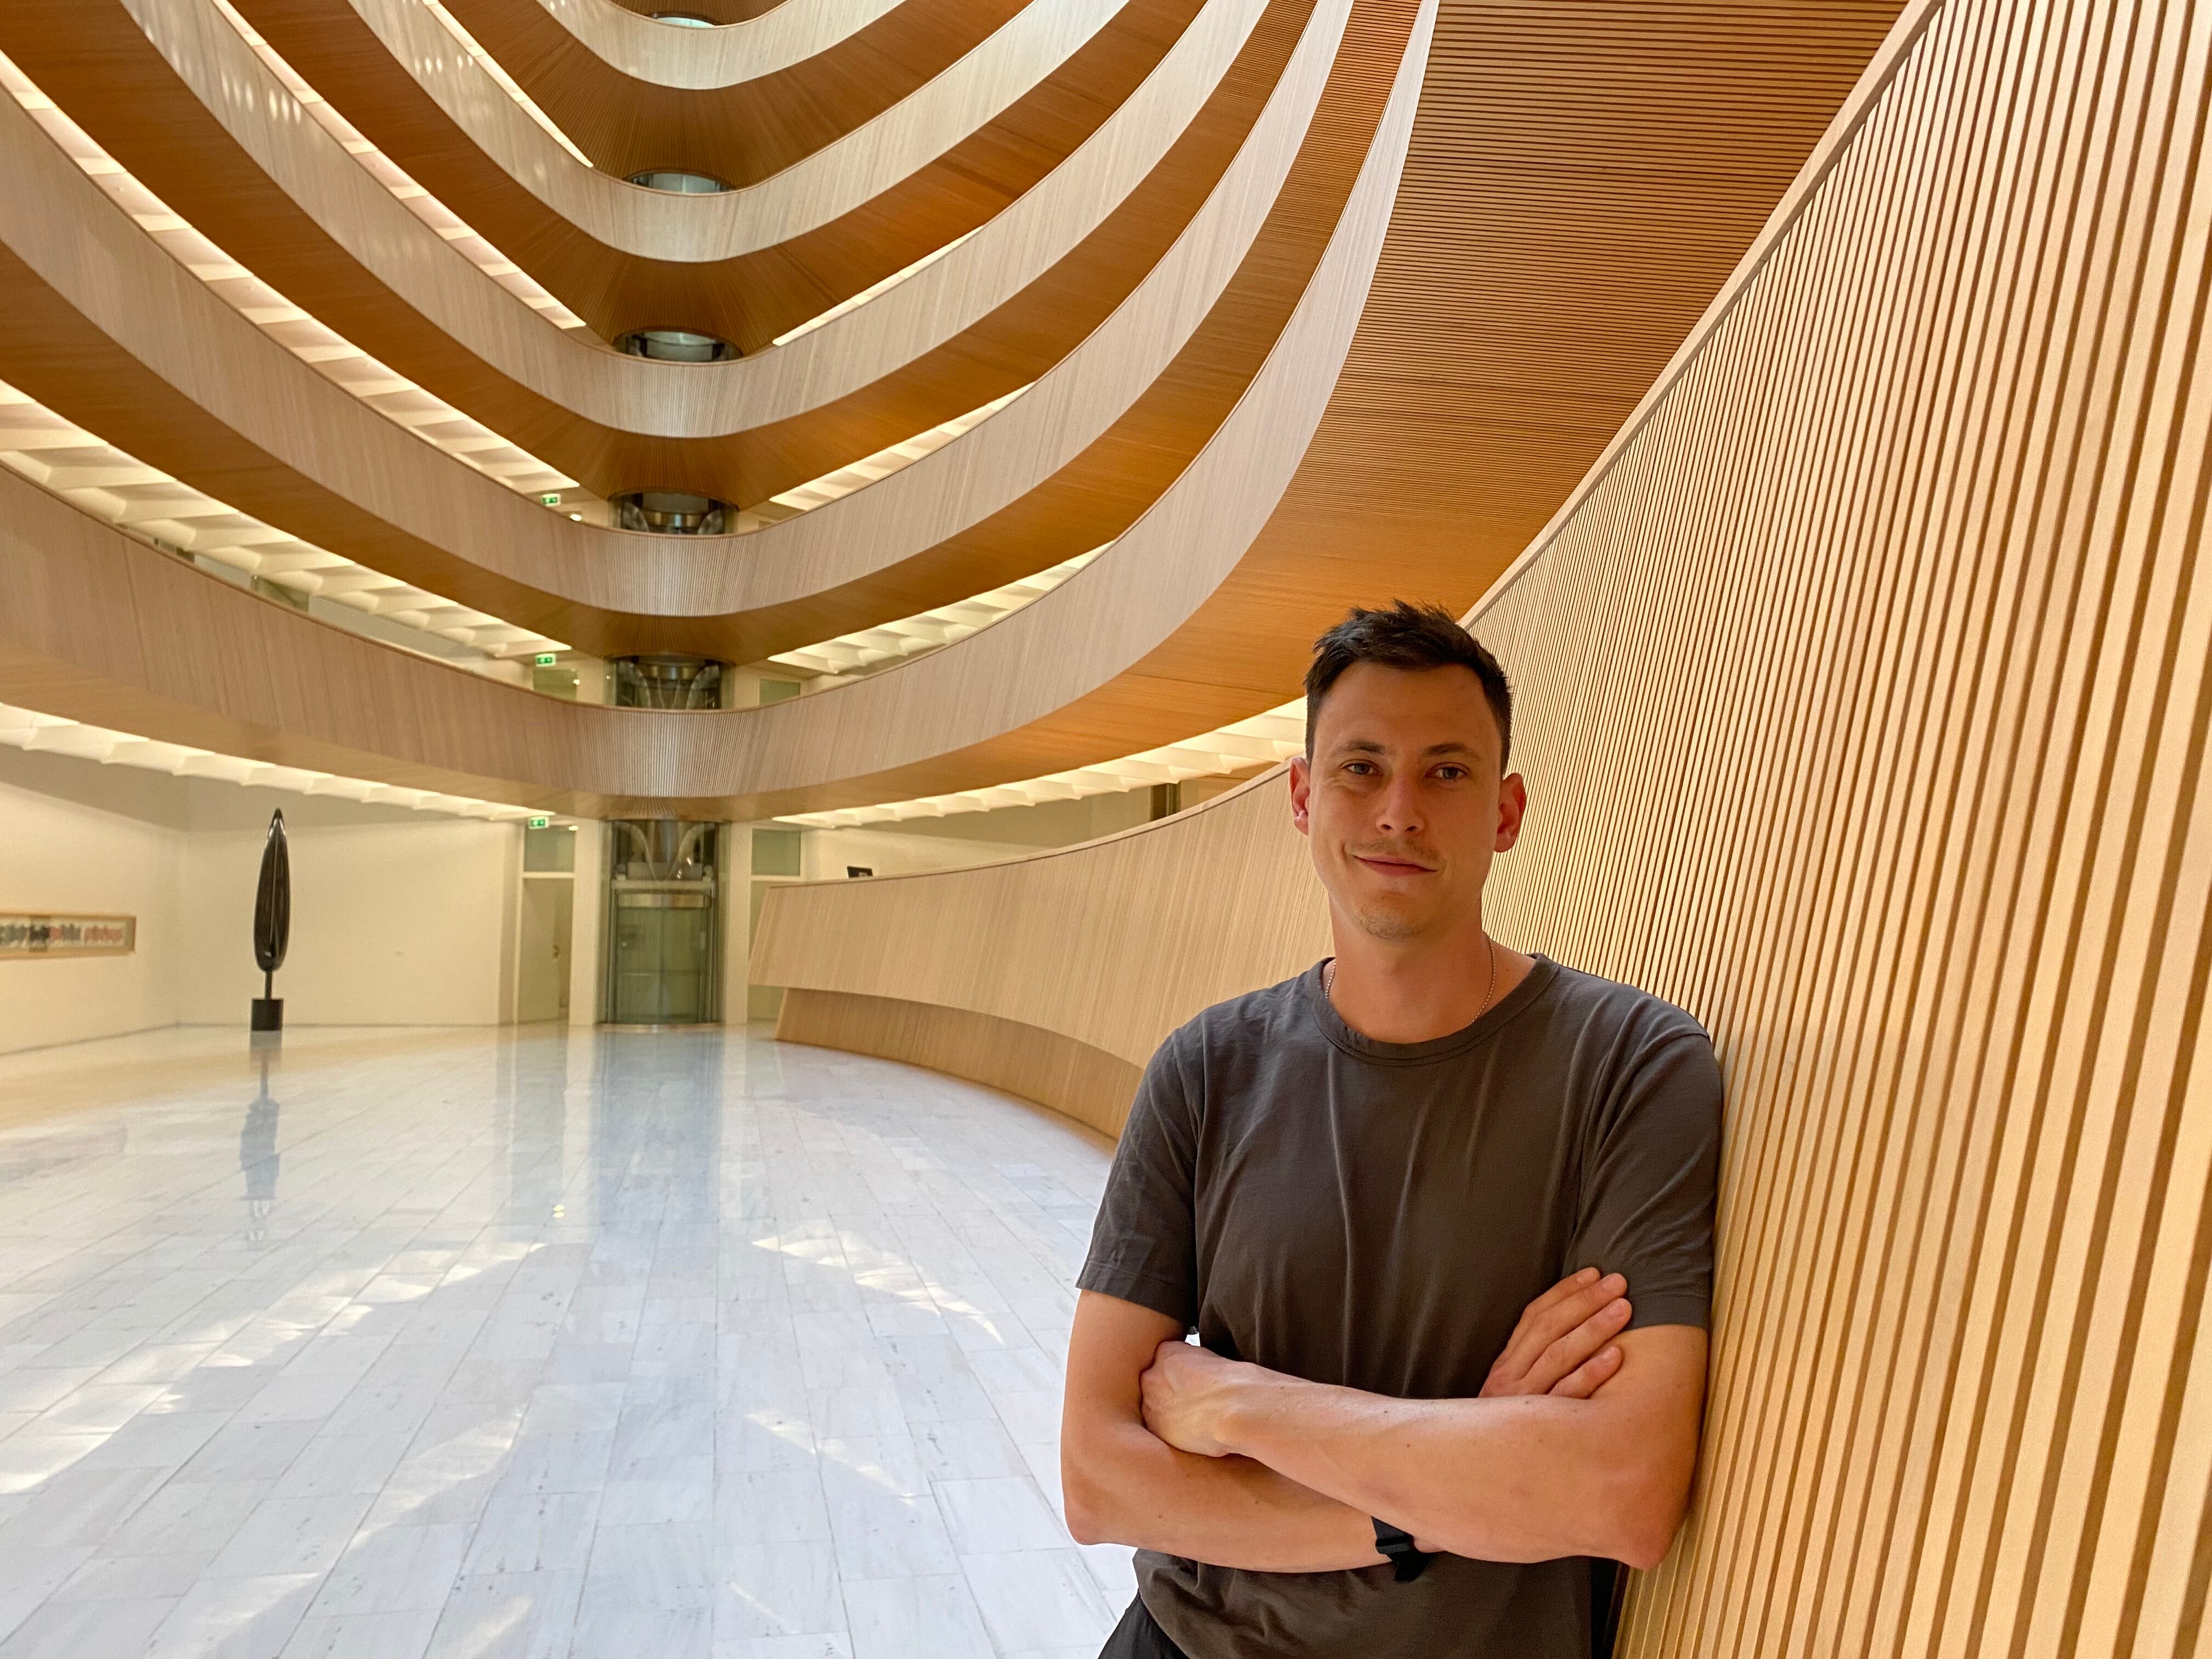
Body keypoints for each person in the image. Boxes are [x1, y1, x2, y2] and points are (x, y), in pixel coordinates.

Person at [1060, 601, 1724, 1658]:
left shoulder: (1632, 1066)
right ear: (1302, 795)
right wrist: (1445, 1489)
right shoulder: (1205, 1069)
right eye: (1361, 768)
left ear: (1507, 812)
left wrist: (1239, 1404)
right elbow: (1099, 1481)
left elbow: (1623, 1493)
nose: (1399, 811)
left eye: (1447, 773)